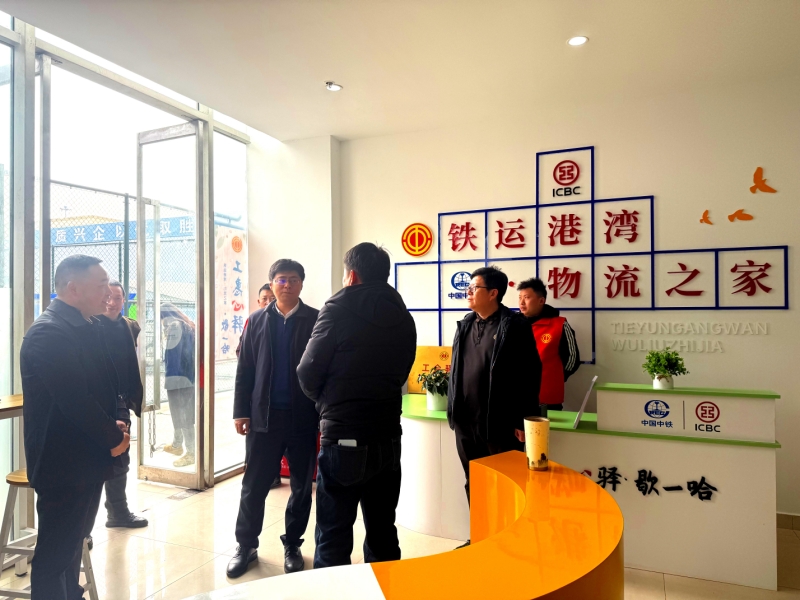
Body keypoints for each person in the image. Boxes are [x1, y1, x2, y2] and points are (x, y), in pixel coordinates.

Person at [298, 242, 417, 569]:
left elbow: (307, 372)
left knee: (333, 533)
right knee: (383, 529)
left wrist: (327, 403)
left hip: (343, 436)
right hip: (388, 436)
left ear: (351, 276)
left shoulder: (336, 311)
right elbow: (402, 372)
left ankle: (335, 589)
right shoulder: (404, 317)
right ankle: (387, 589)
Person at [20, 255, 130, 599]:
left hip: (88, 458)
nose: (109, 292)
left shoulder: (88, 325)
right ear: (73, 288)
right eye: (101, 285)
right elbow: (75, 400)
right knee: (55, 555)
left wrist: (118, 419)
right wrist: (112, 437)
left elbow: (106, 383)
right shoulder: (48, 333)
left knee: (72, 546)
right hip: (63, 463)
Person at [227, 259, 320, 578]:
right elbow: (245, 369)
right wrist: (241, 411)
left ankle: (293, 544)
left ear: (301, 284)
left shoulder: (316, 319)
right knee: (253, 485)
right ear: (271, 284)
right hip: (263, 418)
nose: (287, 285)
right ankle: (246, 545)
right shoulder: (256, 320)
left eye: (293, 279)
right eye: (281, 280)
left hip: (303, 418)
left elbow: (325, 369)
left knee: (301, 487)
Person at [447, 266, 541, 547]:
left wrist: (524, 419)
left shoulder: (514, 325)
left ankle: (508, 542)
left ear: (493, 293)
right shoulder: (465, 324)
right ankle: (480, 538)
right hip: (465, 422)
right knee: (473, 481)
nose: (468, 292)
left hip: (499, 423)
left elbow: (530, 373)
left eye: (474, 287)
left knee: (505, 485)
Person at [86, 282, 147, 550]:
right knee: (94, 462)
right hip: (97, 400)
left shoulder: (129, 326)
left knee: (121, 458)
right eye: (108, 296)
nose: (112, 302)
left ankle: (118, 512)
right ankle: (83, 529)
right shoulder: (89, 326)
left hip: (121, 400)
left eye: (118, 297)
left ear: (124, 300)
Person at [236, 283, 283, 490]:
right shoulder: (253, 321)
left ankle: (275, 475)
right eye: (265, 299)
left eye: (272, 298)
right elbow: (243, 358)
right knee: (257, 449)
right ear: (258, 301)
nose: (268, 302)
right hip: (259, 396)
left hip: (286, 401)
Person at [517, 278, 580, 412]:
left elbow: (572, 359)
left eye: (526, 297)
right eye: (520, 298)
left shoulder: (559, 324)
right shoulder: (513, 324)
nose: (521, 302)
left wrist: (556, 377)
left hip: (547, 397)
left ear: (541, 301)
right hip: (517, 396)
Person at [160, 303, 197, 468]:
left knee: (183, 416)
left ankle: (190, 453)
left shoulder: (174, 326)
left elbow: (173, 354)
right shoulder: (186, 325)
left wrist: (171, 377)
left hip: (177, 378)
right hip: (186, 376)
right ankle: (177, 444)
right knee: (180, 414)